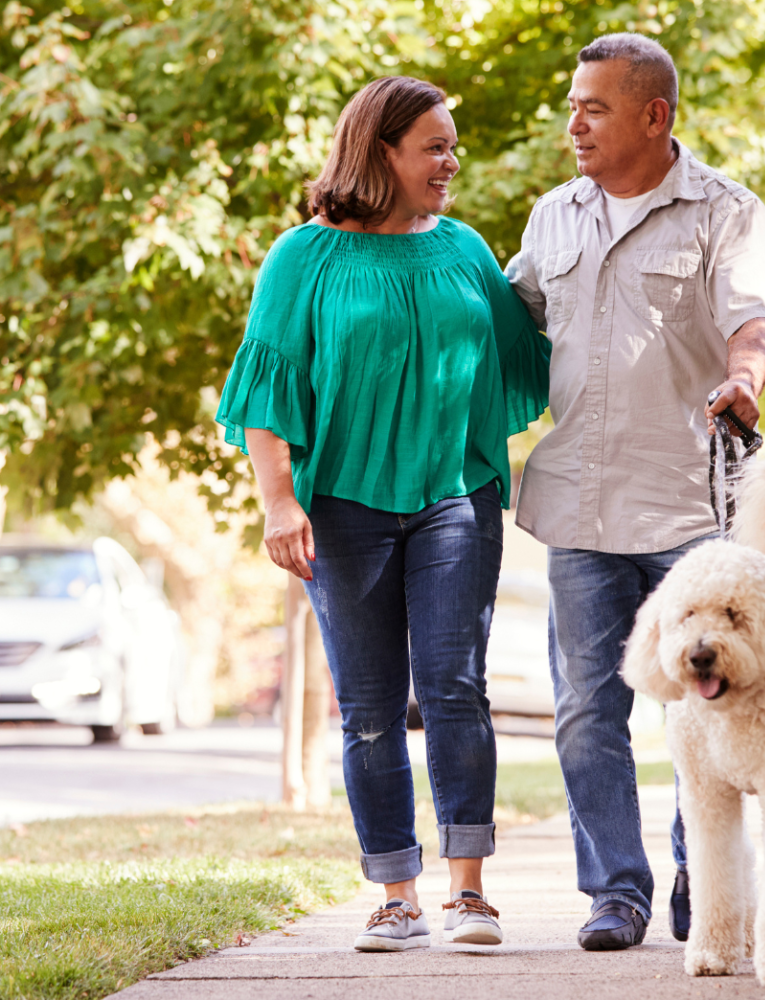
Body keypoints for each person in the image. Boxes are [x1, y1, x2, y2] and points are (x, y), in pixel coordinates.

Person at [215, 76, 550, 952]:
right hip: (342, 510)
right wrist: (278, 499)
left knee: (455, 688)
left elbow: (534, 348)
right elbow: (267, 386)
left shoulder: (466, 249)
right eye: (434, 146)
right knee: (368, 708)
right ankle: (396, 893)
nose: (451, 161)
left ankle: (468, 891)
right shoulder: (304, 257)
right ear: (381, 152)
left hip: (454, 497)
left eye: (452, 145)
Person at [506, 33, 765, 950]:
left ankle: (695, 882)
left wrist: (745, 377)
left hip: (691, 508)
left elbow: (755, 319)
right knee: (588, 705)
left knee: (703, 705)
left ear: (654, 115)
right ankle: (614, 893)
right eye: (573, 105)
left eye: (593, 106)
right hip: (580, 506)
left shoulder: (725, 212)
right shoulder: (554, 215)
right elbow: (509, 321)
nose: (574, 123)